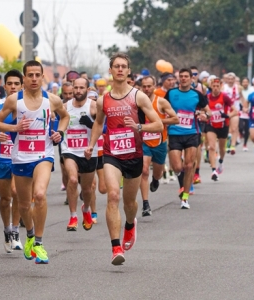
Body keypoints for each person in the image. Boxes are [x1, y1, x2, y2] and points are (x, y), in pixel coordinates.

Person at [85, 53, 163, 265]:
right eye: (116, 66)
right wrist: (91, 145)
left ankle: (130, 224)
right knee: (112, 195)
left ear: (129, 71)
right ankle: (115, 247)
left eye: (124, 66)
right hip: (112, 154)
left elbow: (158, 125)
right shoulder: (103, 100)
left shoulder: (139, 97)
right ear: (110, 70)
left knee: (130, 203)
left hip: (134, 155)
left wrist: (138, 126)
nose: (120, 69)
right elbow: (98, 124)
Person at [0, 60, 70, 264]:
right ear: (24, 78)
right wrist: (15, 128)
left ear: (43, 76)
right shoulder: (13, 101)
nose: (34, 79)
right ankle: (28, 234)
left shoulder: (52, 100)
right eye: (30, 75)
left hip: (43, 155)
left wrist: (59, 133)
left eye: (38, 75)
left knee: (40, 195)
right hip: (20, 157)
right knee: (24, 205)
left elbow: (65, 117)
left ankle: (39, 242)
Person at [0, 69, 24, 252]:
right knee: (5, 198)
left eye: (17, 83)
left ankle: (16, 231)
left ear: (22, 86)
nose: (13, 87)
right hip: (2, 157)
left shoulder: (28, 105)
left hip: (21, 157)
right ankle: (6, 229)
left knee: (17, 193)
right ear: (4, 85)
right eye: (10, 83)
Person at [165, 68, 211, 209]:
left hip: (192, 132)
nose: (184, 78)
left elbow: (208, 111)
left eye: (186, 76)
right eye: (181, 76)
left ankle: (185, 197)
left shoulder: (197, 94)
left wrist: (205, 116)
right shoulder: (171, 93)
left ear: (191, 79)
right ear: (179, 78)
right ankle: (183, 182)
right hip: (174, 133)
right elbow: (162, 108)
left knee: (189, 165)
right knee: (177, 167)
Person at [139, 76, 178, 216]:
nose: (146, 89)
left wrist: (159, 121)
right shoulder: (138, 103)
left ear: (154, 86)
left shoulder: (161, 102)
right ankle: (145, 204)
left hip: (160, 142)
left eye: (149, 86)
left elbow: (176, 118)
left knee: (158, 172)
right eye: (144, 86)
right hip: (144, 142)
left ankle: (155, 180)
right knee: (143, 171)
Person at [61, 77, 97, 232]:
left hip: (88, 151)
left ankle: (86, 209)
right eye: (76, 88)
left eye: (82, 88)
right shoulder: (65, 107)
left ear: (87, 90)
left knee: (88, 189)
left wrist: (91, 124)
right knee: (73, 179)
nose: (78, 91)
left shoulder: (94, 106)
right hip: (69, 149)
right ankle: (73, 216)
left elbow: (104, 126)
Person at [204, 78, 235, 180]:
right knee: (212, 147)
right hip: (211, 125)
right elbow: (202, 110)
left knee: (222, 149)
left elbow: (236, 111)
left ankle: (221, 161)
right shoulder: (207, 97)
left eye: (218, 86)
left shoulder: (224, 97)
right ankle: (213, 170)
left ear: (220, 86)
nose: (216, 88)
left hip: (223, 125)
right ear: (211, 87)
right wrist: (204, 115)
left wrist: (228, 115)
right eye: (214, 86)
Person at [222, 72, 244, 154]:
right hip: (226, 110)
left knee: (234, 128)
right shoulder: (223, 87)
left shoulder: (238, 88)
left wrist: (245, 106)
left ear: (234, 80)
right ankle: (227, 143)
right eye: (229, 79)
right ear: (226, 80)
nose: (230, 81)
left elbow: (242, 98)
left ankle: (233, 146)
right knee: (228, 129)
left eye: (232, 79)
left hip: (235, 110)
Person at [59, 82, 75, 193]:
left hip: (79, 141)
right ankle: (69, 193)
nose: (68, 96)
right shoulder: (58, 106)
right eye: (66, 93)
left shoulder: (80, 104)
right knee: (65, 170)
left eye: (70, 93)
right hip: (64, 142)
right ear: (62, 93)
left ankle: (84, 190)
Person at [239, 77, 254, 151]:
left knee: (247, 129)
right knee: (241, 127)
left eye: (246, 82)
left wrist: (249, 108)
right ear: (242, 83)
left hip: (249, 111)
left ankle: (245, 144)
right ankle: (240, 134)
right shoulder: (239, 90)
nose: (245, 83)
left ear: (248, 83)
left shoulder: (252, 90)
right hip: (241, 110)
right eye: (243, 82)